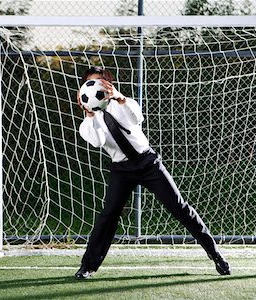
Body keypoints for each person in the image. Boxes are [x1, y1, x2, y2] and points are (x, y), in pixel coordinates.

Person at [74, 66, 231, 279]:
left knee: (180, 208)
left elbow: (136, 118)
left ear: (108, 85)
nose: (98, 87)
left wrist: (120, 98)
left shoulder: (123, 104)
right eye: (92, 83)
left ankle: (216, 255)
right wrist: (91, 114)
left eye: (101, 82)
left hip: (148, 163)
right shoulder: (87, 125)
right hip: (122, 169)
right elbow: (98, 141)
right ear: (84, 90)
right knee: (108, 216)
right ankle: (88, 266)